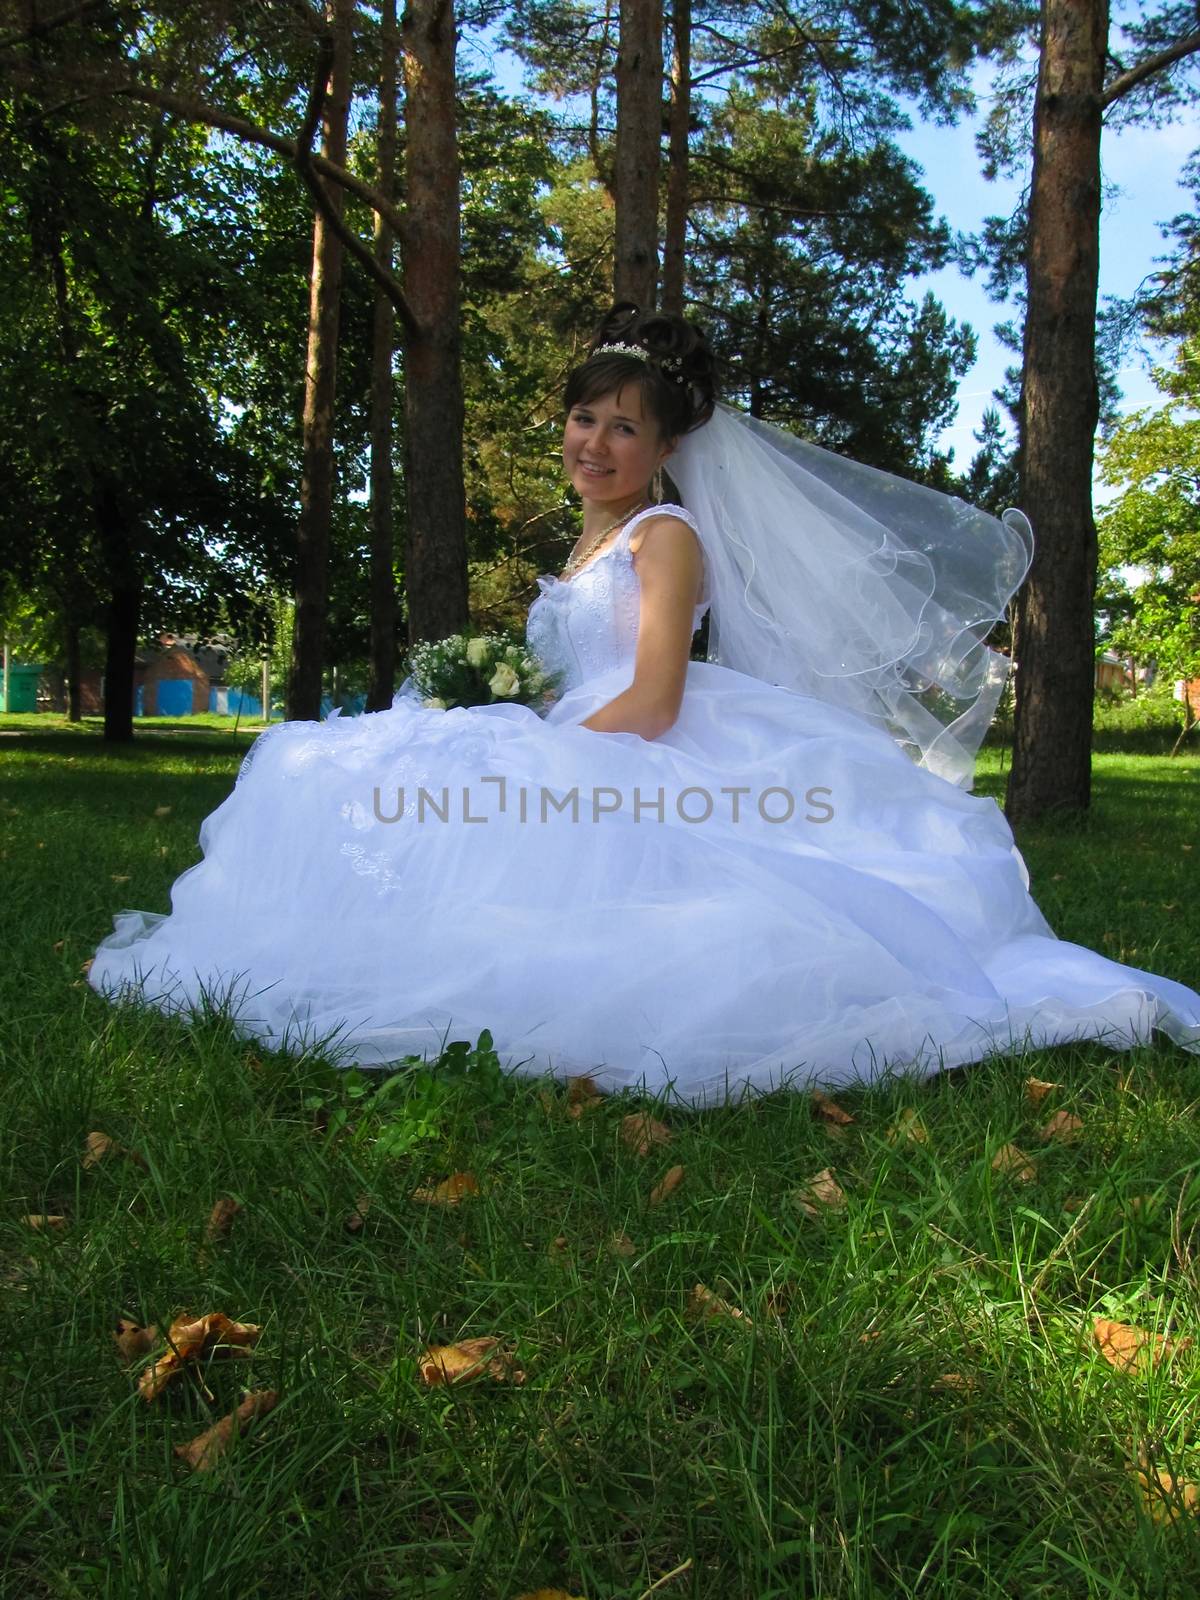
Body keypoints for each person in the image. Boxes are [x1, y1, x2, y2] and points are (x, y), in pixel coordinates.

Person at [89, 304, 1200, 1105]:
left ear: (668, 448)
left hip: (643, 745)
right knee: (319, 767)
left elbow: (656, 695)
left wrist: (522, 737)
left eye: (624, 429)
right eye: (582, 419)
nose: (596, 444)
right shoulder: (585, 542)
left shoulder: (663, 536)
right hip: (576, 733)